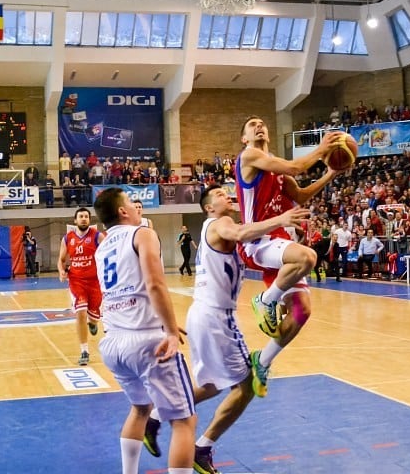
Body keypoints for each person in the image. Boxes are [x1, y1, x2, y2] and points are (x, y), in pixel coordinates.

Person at [142, 186, 309, 472]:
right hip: (218, 318)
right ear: (208, 207)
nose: (226, 194)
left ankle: (154, 418)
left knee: (209, 386)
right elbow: (243, 233)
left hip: (202, 313)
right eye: (219, 193)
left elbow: (251, 243)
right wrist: (280, 219)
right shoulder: (222, 223)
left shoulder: (219, 228)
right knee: (246, 387)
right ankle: (202, 448)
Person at [92, 187, 196, 474]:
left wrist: (167, 322)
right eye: (131, 203)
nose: (138, 207)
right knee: (184, 422)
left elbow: (128, 290)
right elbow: (154, 284)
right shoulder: (143, 233)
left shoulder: (102, 248)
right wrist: (171, 333)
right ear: (123, 211)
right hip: (147, 342)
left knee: (141, 408)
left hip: (114, 342)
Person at [235, 116, 340, 398]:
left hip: (279, 243)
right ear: (244, 138)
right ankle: (265, 301)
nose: (259, 125)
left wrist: (331, 173)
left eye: (261, 123)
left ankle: (262, 361)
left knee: (302, 310)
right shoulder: (250, 156)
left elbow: (301, 195)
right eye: (251, 125)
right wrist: (320, 149)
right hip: (256, 240)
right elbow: (296, 165)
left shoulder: (278, 171)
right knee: (308, 258)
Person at [58, 207, 105, 366]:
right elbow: (62, 259)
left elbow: (109, 253)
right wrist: (61, 271)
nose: (84, 219)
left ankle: (93, 322)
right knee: (80, 313)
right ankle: (84, 350)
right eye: (81, 216)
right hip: (76, 281)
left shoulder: (98, 236)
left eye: (86, 216)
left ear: (89, 220)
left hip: (95, 282)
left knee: (93, 317)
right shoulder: (67, 238)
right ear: (75, 220)